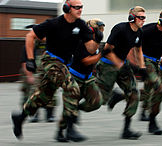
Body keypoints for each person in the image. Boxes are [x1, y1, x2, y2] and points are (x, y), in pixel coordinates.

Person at [11, 0, 103, 142]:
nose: (80, 9)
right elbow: (30, 36)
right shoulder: (53, 23)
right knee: (71, 87)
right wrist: (29, 59)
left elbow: (90, 48)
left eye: (81, 7)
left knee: (43, 97)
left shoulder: (81, 25)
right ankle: (70, 129)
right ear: (67, 8)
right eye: (76, 7)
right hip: (51, 61)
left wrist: (97, 39)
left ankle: (20, 117)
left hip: (64, 64)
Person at [108, 8, 162, 135]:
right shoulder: (147, 30)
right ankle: (152, 122)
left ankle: (120, 96)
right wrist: (138, 66)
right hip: (146, 61)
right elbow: (133, 48)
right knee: (159, 89)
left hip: (157, 62)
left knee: (147, 93)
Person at [95, 6, 146, 140]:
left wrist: (142, 67)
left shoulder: (139, 32)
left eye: (144, 18)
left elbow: (138, 49)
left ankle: (126, 130)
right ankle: (111, 95)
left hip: (123, 64)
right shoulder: (120, 29)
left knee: (134, 94)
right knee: (101, 100)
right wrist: (119, 64)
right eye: (141, 17)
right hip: (107, 65)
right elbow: (106, 50)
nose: (143, 20)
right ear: (132, 18)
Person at [56, 18, 105, 142]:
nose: (102, 32)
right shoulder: (80, 41)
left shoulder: (97, 43)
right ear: (92, 30)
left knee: (96, 101)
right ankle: (63, 131)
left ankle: (76, 110)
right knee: (70, 105)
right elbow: (86, 60)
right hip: (75, 77)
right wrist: (101, 55)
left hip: (88, 79)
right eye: (100, 29)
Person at [19, 25, 56, 122]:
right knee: (33, 93)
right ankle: (34, 114)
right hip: (34, 73)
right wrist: (29, 76)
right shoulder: (29, 45)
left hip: (47, 72)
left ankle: (50, 115)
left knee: (51, 93)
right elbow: (24, 61)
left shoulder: (49, 44)